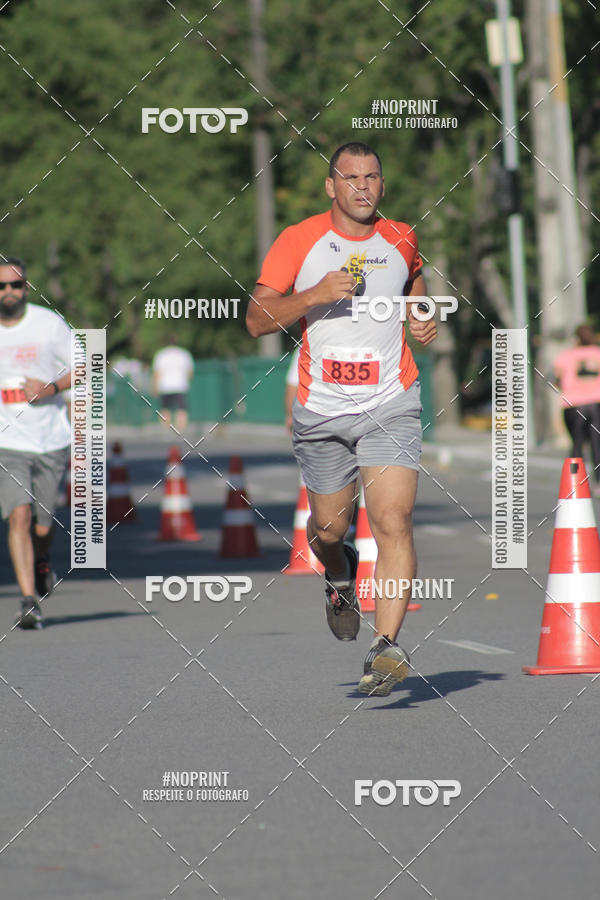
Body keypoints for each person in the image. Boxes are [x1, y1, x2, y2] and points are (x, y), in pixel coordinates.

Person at [247, 142, 436, 696]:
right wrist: (313, 295)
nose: (361, 187)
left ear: (383, 184)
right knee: (330, 530)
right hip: (323, 410)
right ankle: (337, 572)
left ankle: (386, 646)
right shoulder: (298, 241)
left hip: (390, 401)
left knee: (394, 520)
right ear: (330, 186)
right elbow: (257, 320)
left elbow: (413, 282)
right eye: (349, 178)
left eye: (372, 177)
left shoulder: (401, 236)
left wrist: (419, 316)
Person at [0, 257, 72, 629]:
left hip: (51, 437)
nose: (9, 292)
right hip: (7, 442)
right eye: (2, 286)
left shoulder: (48, 324)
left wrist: (52, 388)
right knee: (20, 515)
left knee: (43, 523)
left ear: (26, 287)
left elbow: (89, 361)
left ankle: (42, 561)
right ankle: (28, 600)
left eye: (16, 285)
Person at [554, 324, 600, 495]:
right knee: (597, 444)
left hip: (573, 404)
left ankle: (576, 481)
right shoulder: (597, 353)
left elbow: (557, 380)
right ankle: (599, 483)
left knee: (577, 443)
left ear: (576, 339)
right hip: (596, 402)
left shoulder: (566, 356)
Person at [151, 337, 195, 431]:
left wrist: (155, 387)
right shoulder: (184, 354)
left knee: (165, 409)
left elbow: (157, 373)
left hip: (165, 386)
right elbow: (190, 372)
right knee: (181, 409)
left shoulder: (161, 354)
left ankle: (166, 430)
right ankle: (180, 430)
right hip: (180, 385)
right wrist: (187, 381)